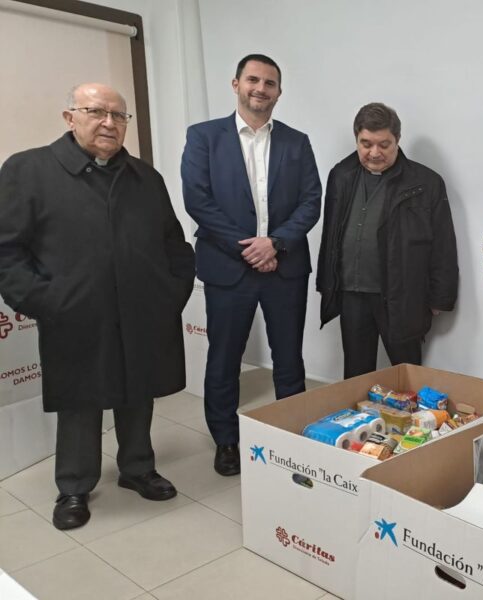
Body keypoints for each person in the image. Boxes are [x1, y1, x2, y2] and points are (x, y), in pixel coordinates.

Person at [0, 83, 195, 530]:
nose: (109, 122)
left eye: (118, 115)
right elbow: (7, 251)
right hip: (74, 315)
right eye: (96, 112)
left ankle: (138, 468)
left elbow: (174, 243)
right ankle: (74, 485)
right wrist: (47, 302)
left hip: (142, 311)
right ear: (70, 117)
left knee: (138, 392)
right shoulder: (28, 170)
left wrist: (171, 294)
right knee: (79, 401)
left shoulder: (145, 177)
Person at [181, 54, 321, 476]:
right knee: (224, 358)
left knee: (289, 358)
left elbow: (311, 200)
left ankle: (291, 437)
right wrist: (249, 248)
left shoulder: (297, 142)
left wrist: (274, 243)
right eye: (253, 80)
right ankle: (226, 440)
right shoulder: (204, 137)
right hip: (228, 267)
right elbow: (197, 200)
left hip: (285, 266)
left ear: (279, 92)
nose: (261, 88)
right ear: (236, 84)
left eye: (270, 83)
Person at [317, 103, 458, 378]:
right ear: (356, 139)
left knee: (407, 375)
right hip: (351, 294)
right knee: (356, 376)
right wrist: (327, 283)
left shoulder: (426, 182)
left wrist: (440, 296)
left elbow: (444, 245)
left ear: (397, 140)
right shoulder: (341, 175)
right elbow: (330, 233)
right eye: (366, 144)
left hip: (402, 295)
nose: (374, 153)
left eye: (384, 145)